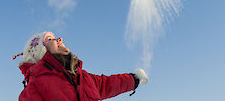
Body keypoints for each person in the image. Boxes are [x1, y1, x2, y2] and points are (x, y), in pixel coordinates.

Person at [13, 32, 149, 101]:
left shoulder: (82, 77)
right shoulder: (35, 86)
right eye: (50, 39)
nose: (59, 39)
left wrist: (134, 79)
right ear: (41, 51)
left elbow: (107, 84)